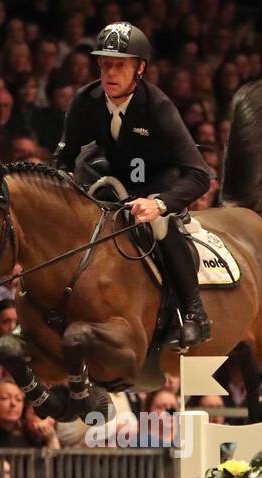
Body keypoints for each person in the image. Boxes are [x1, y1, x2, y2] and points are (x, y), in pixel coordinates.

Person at [53, 22, 212, 349]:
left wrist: (161, 203)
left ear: (139, 68)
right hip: (113, 177)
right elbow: (64, 158)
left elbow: (200, 175)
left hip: (160, 180)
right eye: (105, 64)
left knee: (157, 224)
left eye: (120, 65)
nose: (110, 73)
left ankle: (194, 313)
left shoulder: (158, 107)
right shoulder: (86, 100)